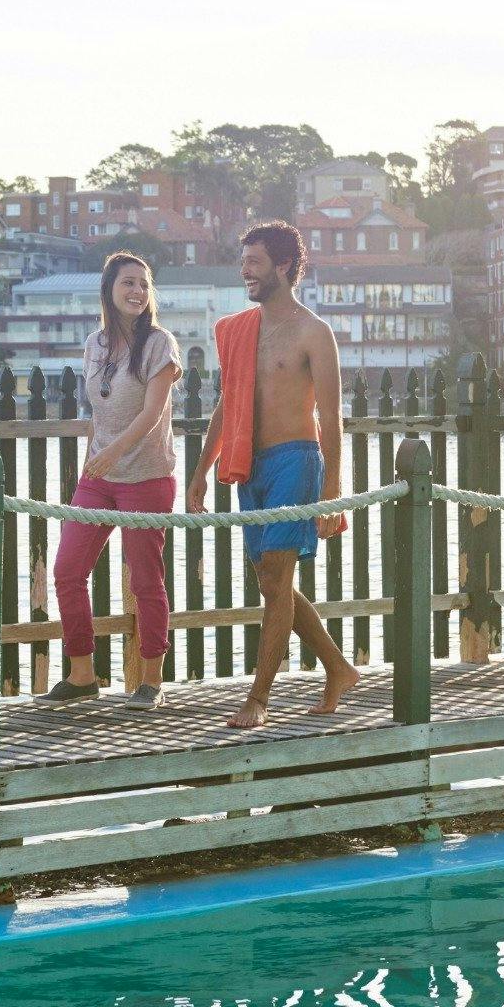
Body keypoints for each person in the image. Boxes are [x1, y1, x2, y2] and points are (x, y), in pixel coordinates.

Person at [186, 221, 360, 728]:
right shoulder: (242, 330)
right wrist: (202, 472)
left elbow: (331, 416)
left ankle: (258, 698)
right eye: (243, 262)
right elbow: (228, 404)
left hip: (296, 461)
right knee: (270, 581)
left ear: (283, 266)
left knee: (279, 576)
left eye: (255, 262)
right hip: (251, 466)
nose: (246, 272)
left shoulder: (313, 331)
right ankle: (338, 668)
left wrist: (333, 486)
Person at [39, 252, 182, 710]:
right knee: (67, 571)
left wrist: (115, 451)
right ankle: (82, 674)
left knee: (145, 579)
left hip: (146, 476)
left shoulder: (160, 343)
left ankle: (151, 681)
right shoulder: (94, 344)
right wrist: (94, 459)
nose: (138, 291)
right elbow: (98, 413)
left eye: (144, 283)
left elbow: (153, 410)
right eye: (128, 283)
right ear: (109, 289)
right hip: (98, 478)